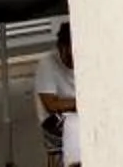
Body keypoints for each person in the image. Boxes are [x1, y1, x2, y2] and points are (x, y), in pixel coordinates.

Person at [33, 21, 76, 164]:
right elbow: (51, 104)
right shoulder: (47, 63)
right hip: (54, 120)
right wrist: (81, 103)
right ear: (61, 47)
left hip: (77, 111)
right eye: (70, 52)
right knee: (77, 129)